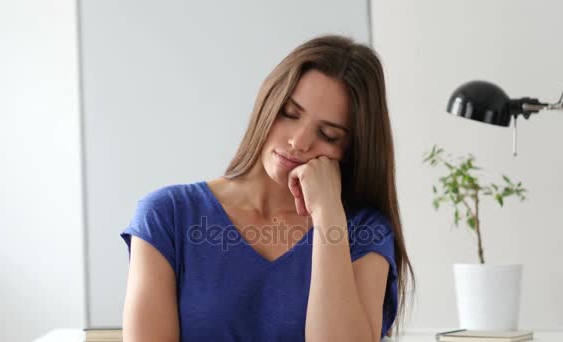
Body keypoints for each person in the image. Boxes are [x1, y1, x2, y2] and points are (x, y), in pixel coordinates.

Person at [120, 34, 415, 342]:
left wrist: (329, 216)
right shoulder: (167, 216)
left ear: (350, 151)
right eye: (290, 113)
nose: (299, 141)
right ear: (269, 103)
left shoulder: (364, 231)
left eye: (328, 135)